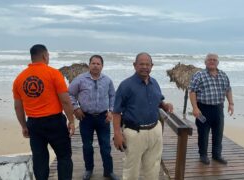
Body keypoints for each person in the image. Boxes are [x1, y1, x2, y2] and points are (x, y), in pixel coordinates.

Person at [13, 44, 75, 180]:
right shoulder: (54, 74)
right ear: (44, 56)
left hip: (34, 124)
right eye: (48, 56)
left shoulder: (19, 78)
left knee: (40, 159)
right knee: (64, 156)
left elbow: (18, 107)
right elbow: (65, 101)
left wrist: (24, 126)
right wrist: (71, 121)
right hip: (55, 122)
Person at [113, 52, 173, 180]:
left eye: (147, 64)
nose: (145, 67)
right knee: (131, 170)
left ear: (152, 66)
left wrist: (165, 105)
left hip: (155, 130)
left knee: (153, 167)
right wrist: (117, 134)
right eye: (141, 64)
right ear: (135, 65)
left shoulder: (155, 82)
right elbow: (116, 112)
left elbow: (158, 101)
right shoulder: (125, 85)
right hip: (134, 133)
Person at [68, 55, 118, 180]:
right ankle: (89, 169)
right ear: (89, 64)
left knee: (105, 146)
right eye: (93, 63)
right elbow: (69, 94)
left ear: (102, 66)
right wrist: (76, 108)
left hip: (103, 118)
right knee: (87, 146)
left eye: (98, 64)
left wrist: (111, 111)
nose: (95, 65)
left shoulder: (107, 80)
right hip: (86, 118)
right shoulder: (80, 80)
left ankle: (108, 171)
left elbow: (113, 96)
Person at [189, 53, 234, 165]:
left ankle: (216, 155)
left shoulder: (223, 75)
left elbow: (228, 89)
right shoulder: (199, 75)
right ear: (205, 62)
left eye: (214, 60)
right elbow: (192, 91)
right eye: (209, 60)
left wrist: (231, 103)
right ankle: (203, 155)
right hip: (203, 109)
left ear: (217, 62)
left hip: (218, 109)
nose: (212, 61)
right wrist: (195, 108)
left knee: (218, 133)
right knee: (203, 133)